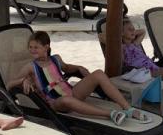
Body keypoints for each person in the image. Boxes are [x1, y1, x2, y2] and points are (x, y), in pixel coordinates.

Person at [11, 31, 151, 124]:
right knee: (66, 100)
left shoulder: (56, 59)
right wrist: (24, 80)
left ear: (46, 47)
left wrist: (79, 68)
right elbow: (9, 84)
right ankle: (110, 114)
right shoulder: (30, 67)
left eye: (36, 47)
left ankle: (128, 109)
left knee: (98, 73)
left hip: (72, 92)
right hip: (56, 102)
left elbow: (67, 68)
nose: (32, 50)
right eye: (30, 47)